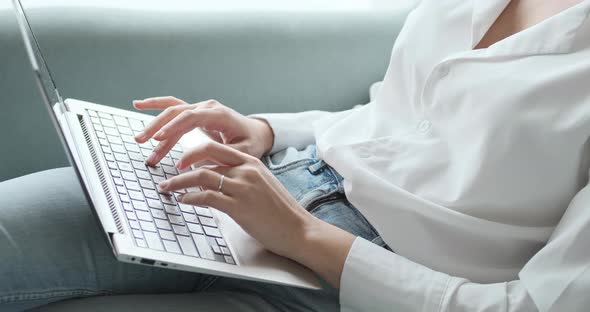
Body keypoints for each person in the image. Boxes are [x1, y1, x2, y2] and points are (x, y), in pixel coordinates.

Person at [1, 0, 589, 311]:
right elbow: (404, 121)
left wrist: (304, 238)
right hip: (270, 183)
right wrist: (265, 130)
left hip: (360, 287)